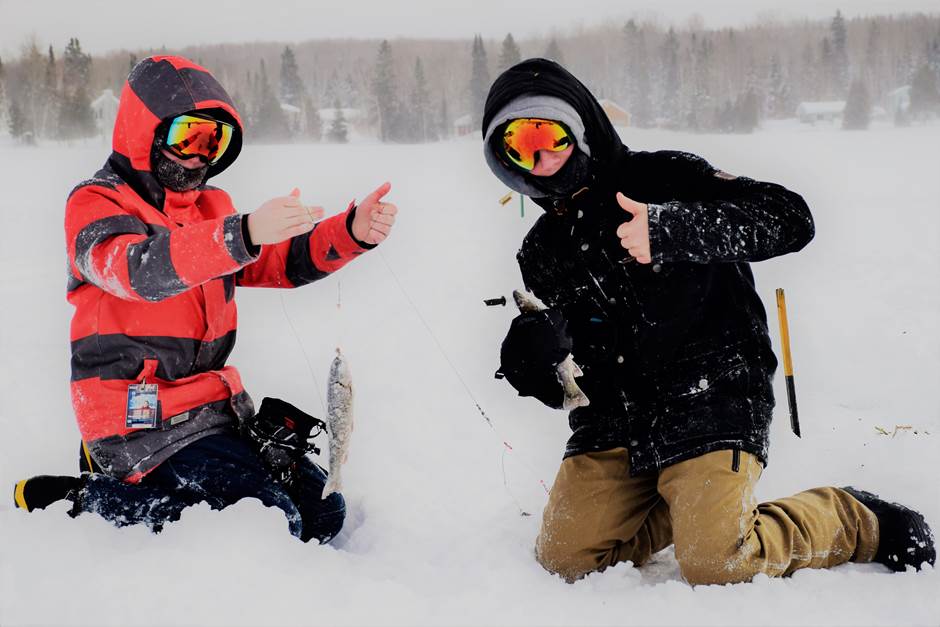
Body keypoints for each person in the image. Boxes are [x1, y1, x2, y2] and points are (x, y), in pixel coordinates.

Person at [483, 58, 935, 584]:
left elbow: (790, 217)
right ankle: (687, 503)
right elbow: (573, 362)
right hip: (616, 416)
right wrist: (533, 361)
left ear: (580, 129)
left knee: (718, 563)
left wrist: (675, 231)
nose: (540, 158)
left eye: (549, 135)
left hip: (713, 392)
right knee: (566, 561)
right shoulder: (540, 250)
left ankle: (855, 518)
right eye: (519, 144)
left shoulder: (665, 176)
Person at [12, 55, 398, 543]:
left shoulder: (212, 208)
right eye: (187, 138)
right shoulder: (96, 202)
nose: (198, 156)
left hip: (213, 411)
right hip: (134, 421)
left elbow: (274, 260)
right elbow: (136, 270)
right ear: (144, 131)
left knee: (323, 511)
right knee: (268, 526)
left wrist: (349, 232)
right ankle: (84, 497)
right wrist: (244, 233)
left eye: (212, 142)